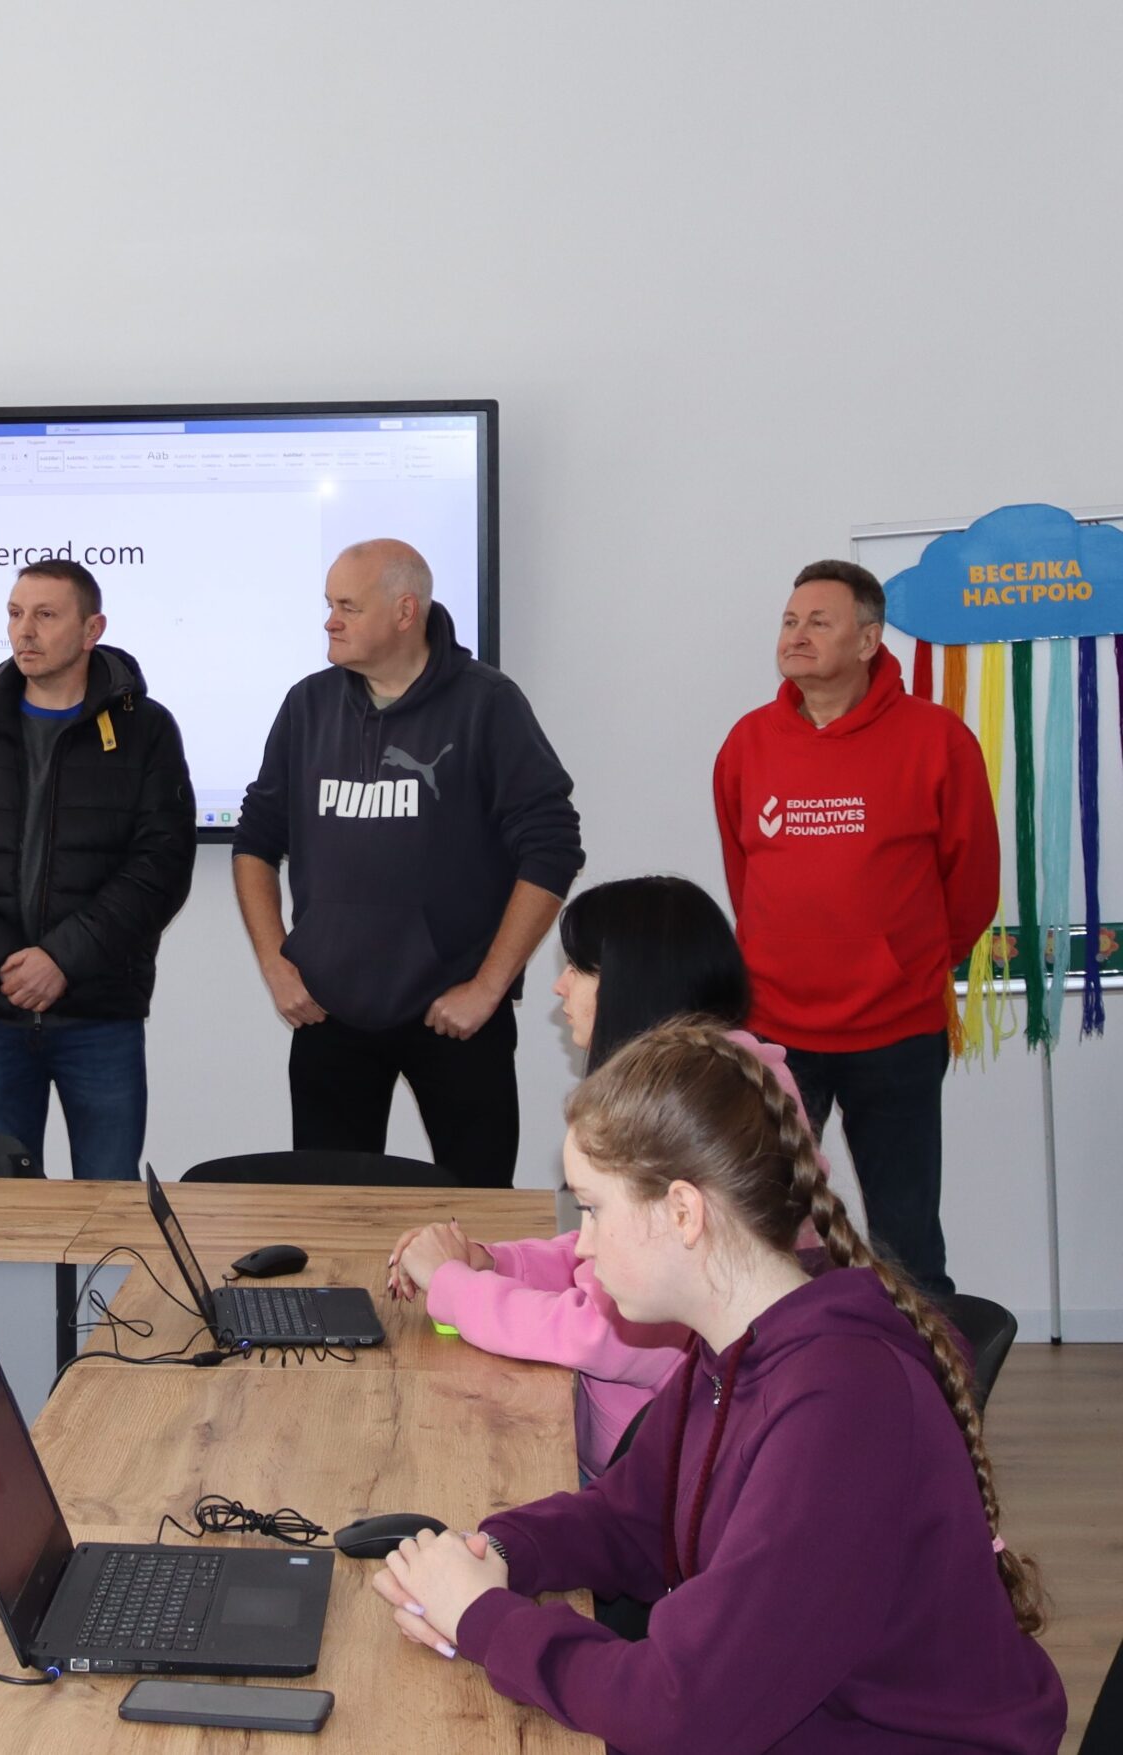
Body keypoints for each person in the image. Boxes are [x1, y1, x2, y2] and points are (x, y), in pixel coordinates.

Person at [370, 1024, 1065, 1754]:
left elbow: (683, 1708)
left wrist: (484, 1619)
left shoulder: (845, 1408)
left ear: (683, 1211)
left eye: (594, 1209)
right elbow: (633, 1517)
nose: (583, 1243)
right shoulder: (737, 1346)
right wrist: (500, 1551)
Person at [387, 874, 812, 1478]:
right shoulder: (727, 1085)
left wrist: (453, 1286)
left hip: (640, 1475)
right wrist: (493, 1261)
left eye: (579, 969)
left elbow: (600, 1333)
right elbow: (606, 1253)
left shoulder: (689, 1120)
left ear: (631, 983)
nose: (559, 986)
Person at [232, 538, 583, 1186]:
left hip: (455, 1017)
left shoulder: (487, 704)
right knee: (329, 1212)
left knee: (476, 1209)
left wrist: (489, 986)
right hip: (329, 1015)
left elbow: (553, 845)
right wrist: (275, 963)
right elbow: (255, 839)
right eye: (329, 605)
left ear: (404, 611)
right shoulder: (308, 706)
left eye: (347, 606)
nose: (330, 621)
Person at [712, 560, 995, 1297]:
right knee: (766, 1232)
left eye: (819, 622)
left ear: (869, 640)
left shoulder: (937, 739)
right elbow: (746, 878)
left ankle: (926, 1370)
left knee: (906, 1239)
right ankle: (784, 1368)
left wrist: (906, 964)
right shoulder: (748, 743)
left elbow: (972, 886)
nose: (796, 635)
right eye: (789, 621)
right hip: (776, 1033)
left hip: (896, 1032)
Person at [0, 560, 195, 1180]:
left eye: (45, 615)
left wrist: (61, 959)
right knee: (0, 1208)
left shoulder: (146, 730)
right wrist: (2, 964)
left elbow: (161, 867)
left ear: (92, 630)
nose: (24, 631)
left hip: (100, 1015)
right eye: (15, 614)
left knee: (109, 1203)